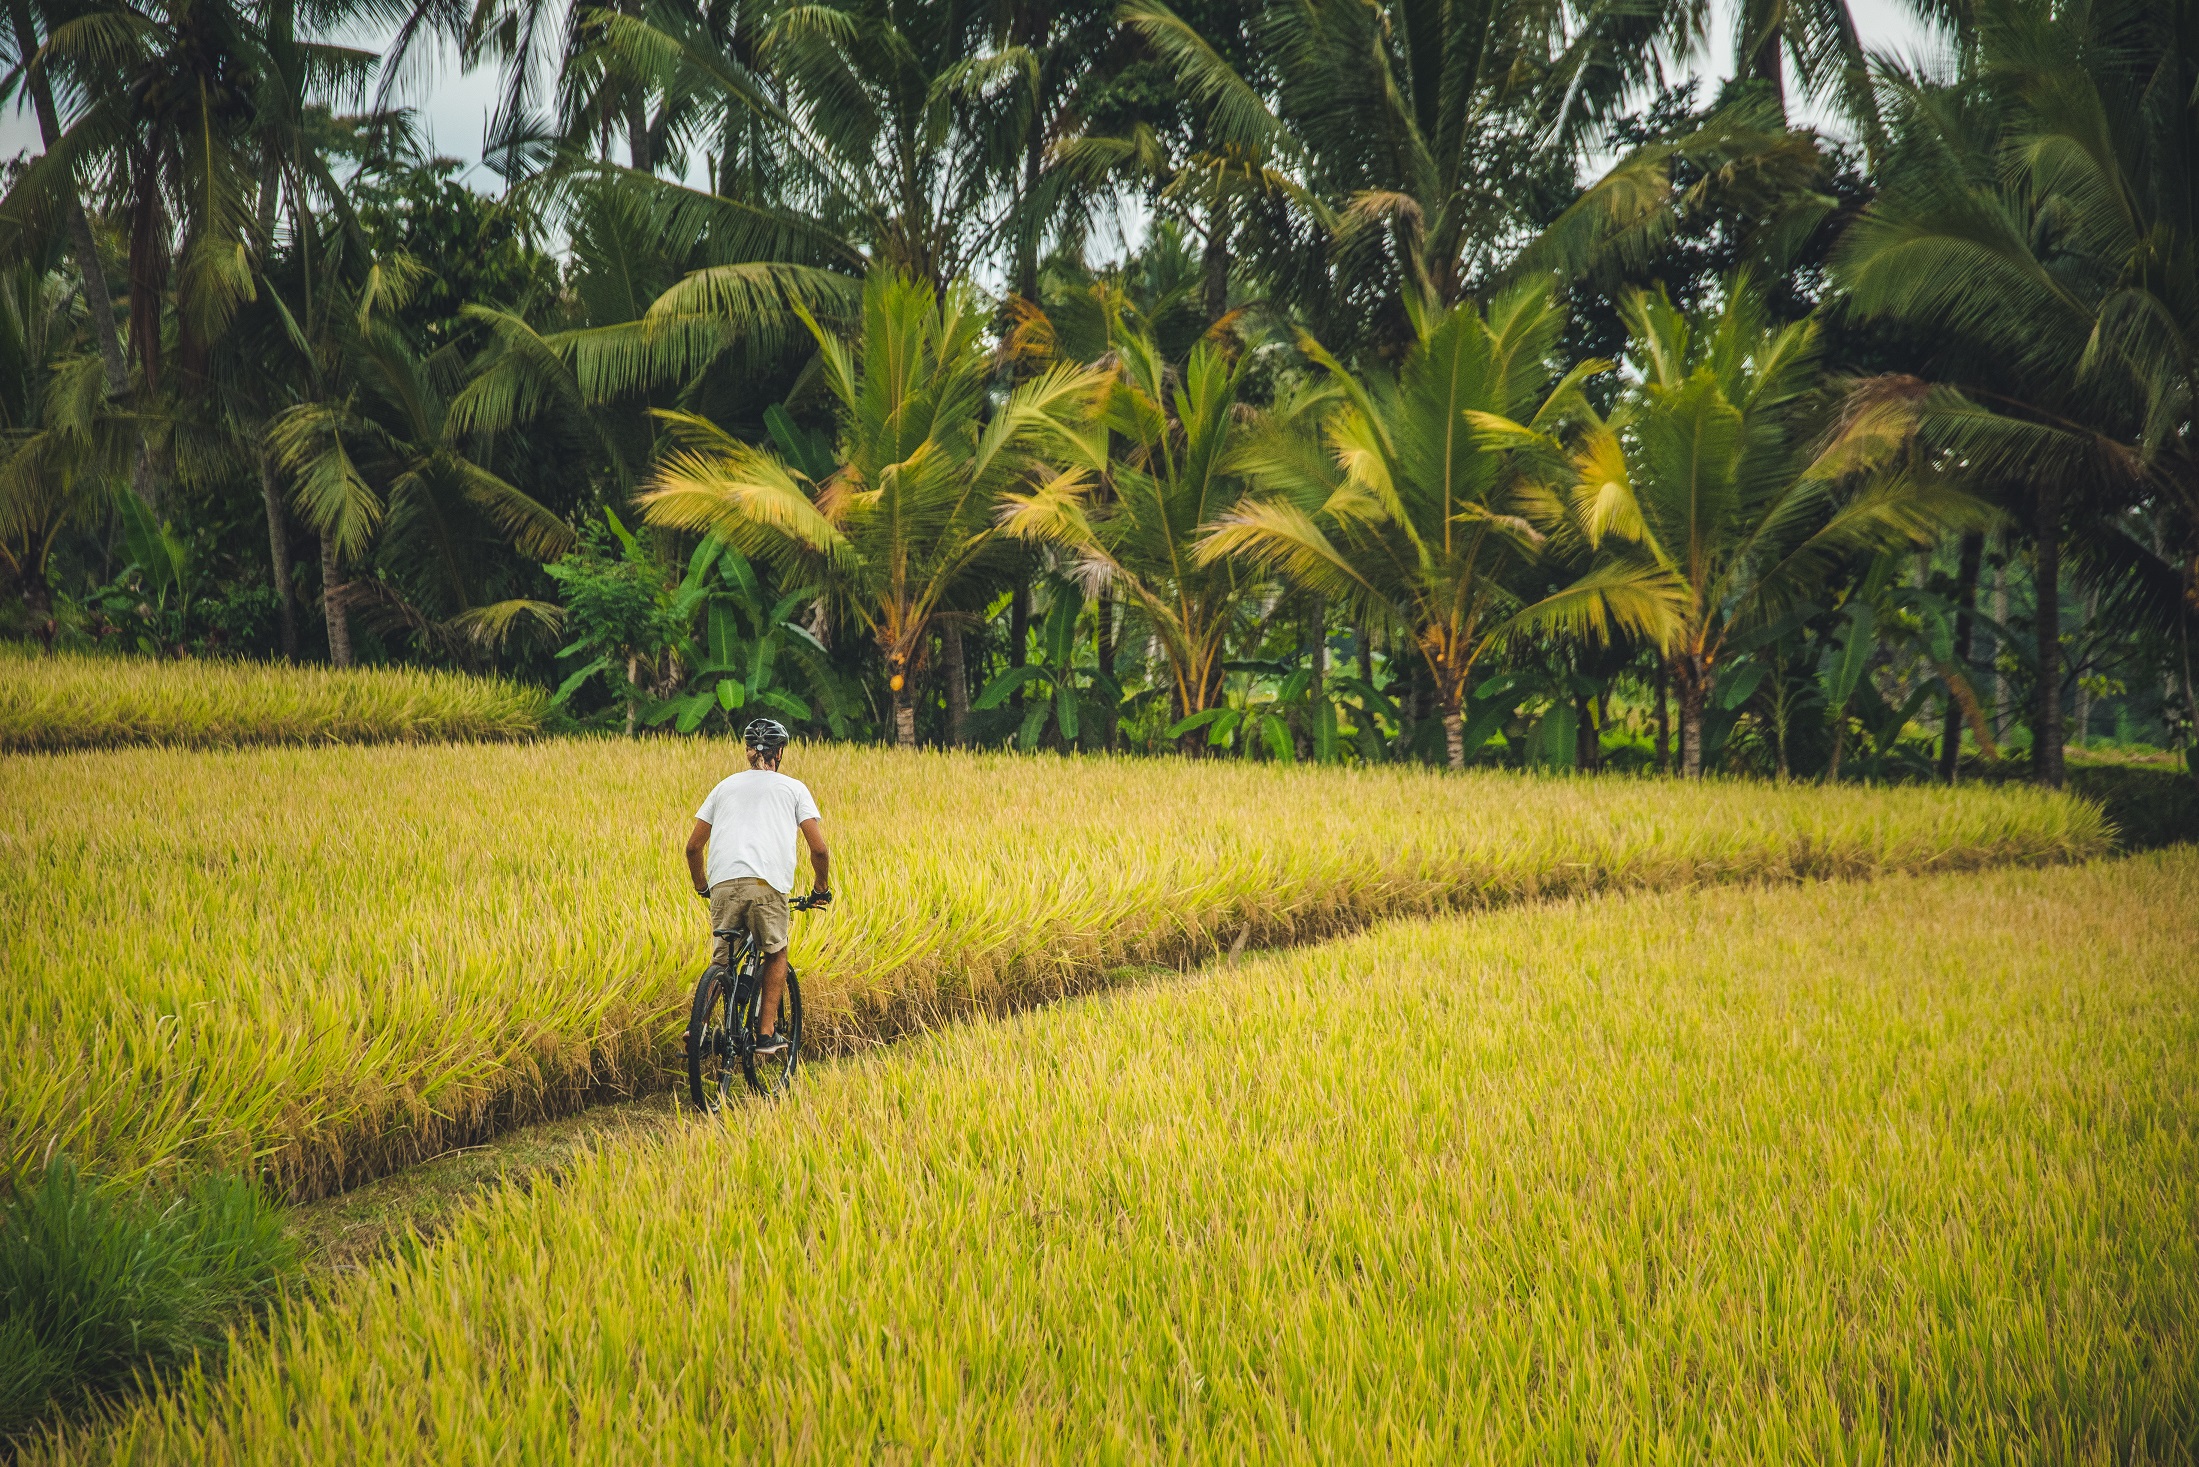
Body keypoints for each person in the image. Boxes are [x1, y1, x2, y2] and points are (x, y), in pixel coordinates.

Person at [684, 718, 831, 1056]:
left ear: (748, 751)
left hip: (722, 884)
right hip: (767, 885)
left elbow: (693, 848)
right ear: (780, 752)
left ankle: (698, 1028)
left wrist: (703, 886)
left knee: (721, 962)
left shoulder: (723, 787)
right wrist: (820, 888)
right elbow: (819, 849)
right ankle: (765, 1033)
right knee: (776, 952)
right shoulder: (793, 788)